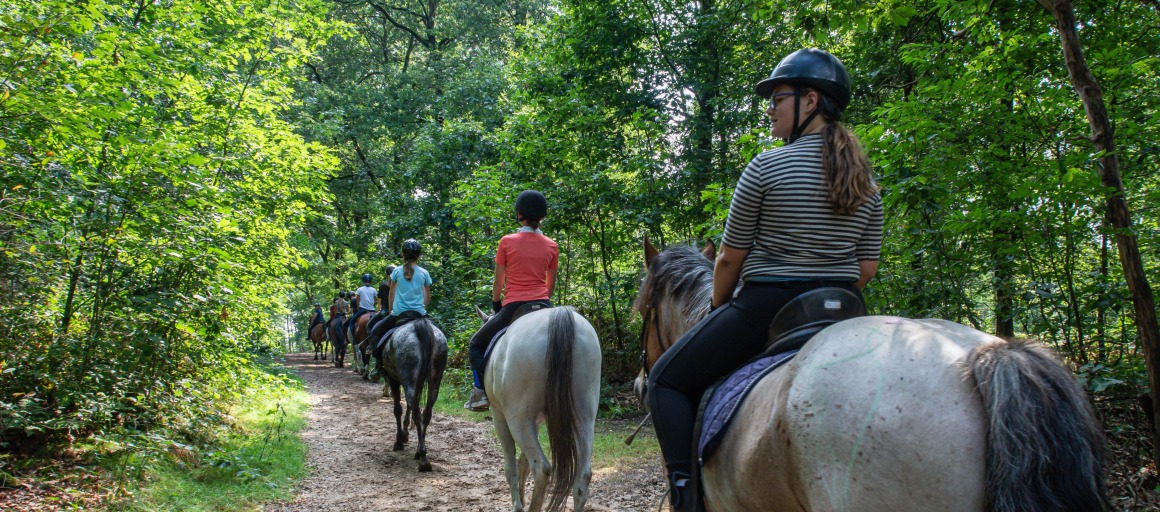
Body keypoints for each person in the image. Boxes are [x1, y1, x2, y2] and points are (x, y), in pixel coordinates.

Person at [646, 48, 883, 512]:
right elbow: (866, 270)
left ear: (810, 100)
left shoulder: (767, 167)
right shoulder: (866, 182)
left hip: (765, 308)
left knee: (666, 382)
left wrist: (718, 309)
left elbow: (730, 261)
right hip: (844, 310)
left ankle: (683, 494)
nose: (770, 108)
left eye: (778, 97)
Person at [464, 190, 558, 411]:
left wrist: (496, 304)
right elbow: (550, 286)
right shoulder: (552, 245)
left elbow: (499, 282)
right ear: (542, 216)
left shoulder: (507, 242)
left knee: (475, 345)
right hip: (544, 305)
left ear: (519, 214)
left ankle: (481, 393)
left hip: (514, 306)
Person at [368, 241, 431, 380]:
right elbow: (427, 298)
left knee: (375, 333)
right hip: (420, 315)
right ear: (419, 255)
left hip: (399, 315)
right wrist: (422, 307)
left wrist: (392, 312)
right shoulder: (424, 273)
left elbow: (391, 295)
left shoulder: (396, 272)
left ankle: (378, 367)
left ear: (403, 255)